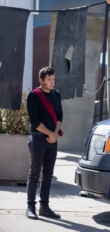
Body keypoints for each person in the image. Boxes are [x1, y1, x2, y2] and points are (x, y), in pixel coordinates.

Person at [26, 66, 63, 219]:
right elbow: (34, 120)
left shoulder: (56, 94)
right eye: (49, 80)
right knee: (34, 174)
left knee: (48, 174)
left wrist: (55, 134)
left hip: (52, 141)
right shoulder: (33, 96)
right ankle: (30, 207)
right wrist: (50, 134)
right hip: (38, 139)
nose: (52, 82)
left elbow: (60, 116)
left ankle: (44, 207)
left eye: (53, 79)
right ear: (41, 80)